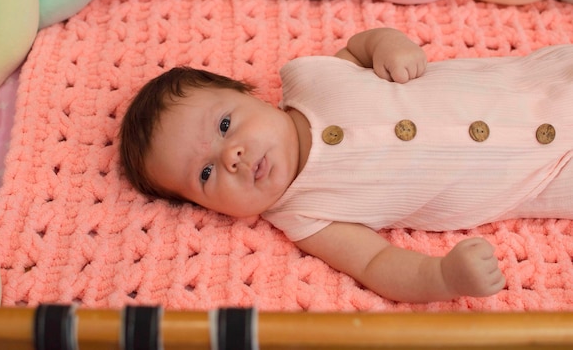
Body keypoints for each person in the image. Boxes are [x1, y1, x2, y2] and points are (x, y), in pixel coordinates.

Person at [119, 28, 573, 303]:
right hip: (540, 177)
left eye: (224, 124)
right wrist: (444, 277)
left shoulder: (311, 78)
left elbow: (361, 46)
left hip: (531, 83)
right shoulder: (305, 217)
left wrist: (387, 44)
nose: (230, 156)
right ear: (203, 207)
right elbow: (379, 264)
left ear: (248, 94)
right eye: (205, 174)